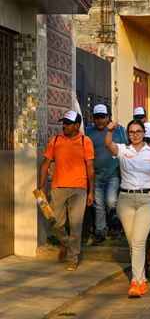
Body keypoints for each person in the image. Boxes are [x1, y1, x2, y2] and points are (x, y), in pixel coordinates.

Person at [105, 119, 150, 298]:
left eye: (138, 131)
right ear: (128, 134)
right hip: (125, 200)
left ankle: (135, 281)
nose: (135, 134)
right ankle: (143, 280)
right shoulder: (123, 150)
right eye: (132, 132)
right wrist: (109, 130)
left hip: (147, 199)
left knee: (139, 240)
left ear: (143, 133)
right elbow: (108, 144)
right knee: (133, 242)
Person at [38, 110, 94, 271]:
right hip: (58, 187)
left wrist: (90, 191)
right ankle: (65, 243)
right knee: (55, 222)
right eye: (64, 123)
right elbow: (45, 165)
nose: (65, 126)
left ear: (77, 125)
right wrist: (42, 186)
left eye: (68, 124)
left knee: (76, 225)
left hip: (79, 188)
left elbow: (90, 168)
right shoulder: (55, 141)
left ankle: (73, 257)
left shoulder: (85, 141)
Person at [86, 104, 127, 245]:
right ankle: (100, 232)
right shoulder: (88, 133)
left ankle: (115, 223)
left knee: (111, 201)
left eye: (103, 117)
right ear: (93, 118)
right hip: (96, 176)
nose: (100, 121)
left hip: (113, 174)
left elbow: (126, 149)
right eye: (97, 117)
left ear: (108, 117)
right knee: (98, 206)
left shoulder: (118, 131)